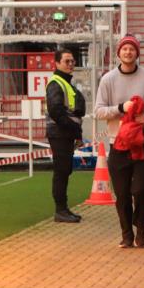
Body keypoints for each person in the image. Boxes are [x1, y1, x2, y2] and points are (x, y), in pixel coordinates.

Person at [94, 35, 144, 248]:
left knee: (141, 190)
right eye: (124, 49)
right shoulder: (108, 79)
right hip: (119, 145)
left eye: (131, 49)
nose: (128, 52)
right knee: (122, 194)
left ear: (137, 53)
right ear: (118, 53)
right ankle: (126, 234)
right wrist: (120, 108)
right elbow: (98, 111)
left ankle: (141, 227)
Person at [45, 48, 87, 223]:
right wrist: (73, 129)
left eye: (72, 61)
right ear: (57, 63)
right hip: (60, 133)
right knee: (62, 171)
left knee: (64, 171)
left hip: (65, 133)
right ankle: (60, 211)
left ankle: (63, 209)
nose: (71, 64)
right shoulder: (56, 83)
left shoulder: (65, 82)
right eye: (67, 61)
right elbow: (55, 110)